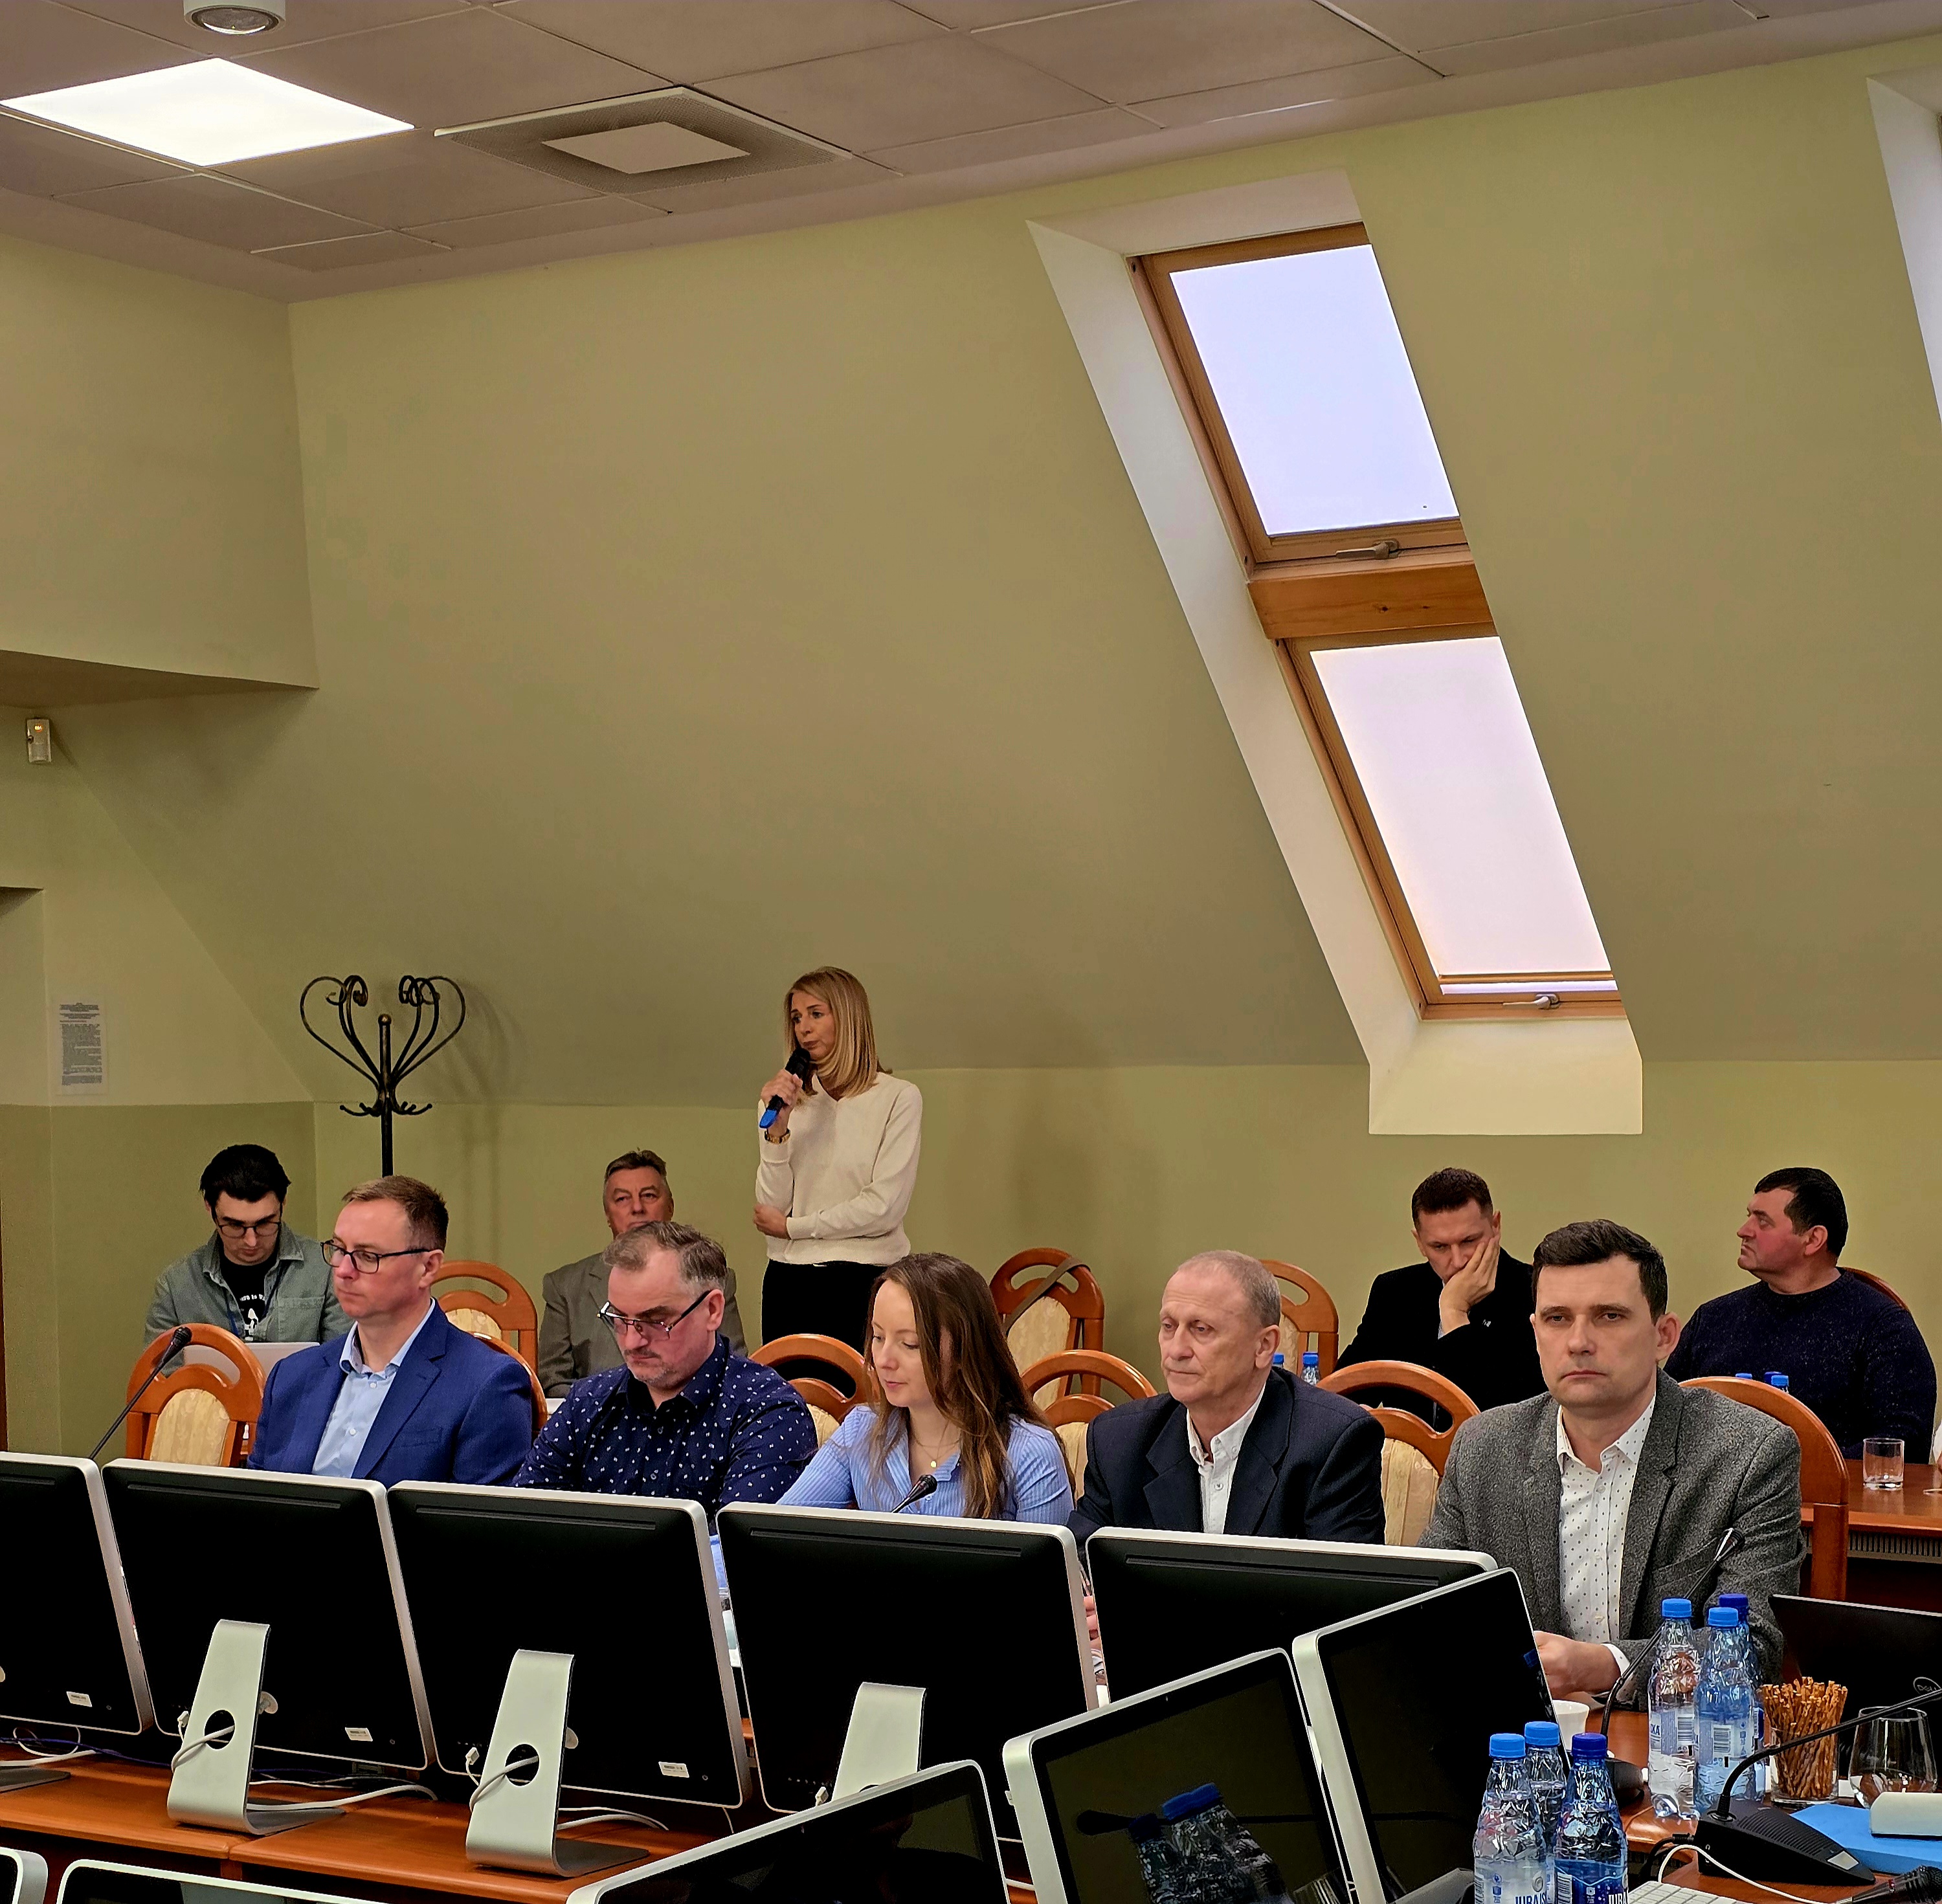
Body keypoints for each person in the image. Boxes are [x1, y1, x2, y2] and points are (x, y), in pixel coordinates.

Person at [1422, 1218, 1804, 1698]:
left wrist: (1604, 1667)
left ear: (1664, 1336)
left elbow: (1752, 1650)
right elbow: (1427, 1613)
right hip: (1524, 1734)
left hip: (1671, 1735)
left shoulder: (1749, 1453)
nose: (1579, 1342)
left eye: (1609, 1316)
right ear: (1535, 1333)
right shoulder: (1483, 1448)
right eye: (1558, 1319)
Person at [1069, 1250, 1385, 1548]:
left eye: (1201, 1329)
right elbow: (1078, 1565)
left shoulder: (1332, 1443)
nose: (1176, 1350)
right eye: (1168, 1327)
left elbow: (1344, 1585)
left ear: (1264, 1346)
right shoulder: (1118, 1442)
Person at [517, 1220, 816, 1514]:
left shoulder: (768, 1412)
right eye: (619, 1318)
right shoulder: (587, 1403)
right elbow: (522, 1520)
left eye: (655, 1321)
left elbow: (737, 1542)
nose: (632, 1342)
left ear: (713, 1310)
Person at [249, 1176, 533, 1485]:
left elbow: (475, 1515)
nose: (343, 1270)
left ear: (428, 1268)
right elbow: (254, 1502)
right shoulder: (290, 1377)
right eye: (339, 1249)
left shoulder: (487, 1384)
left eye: (368, 1256)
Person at [783, 1253, 1073, 1522]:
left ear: (964, 1350)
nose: (883, 1361)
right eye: (878, 1337)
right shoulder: (860, 1431)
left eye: (910, 1344)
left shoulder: (1029, 1453)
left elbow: (1049, 1564)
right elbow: (775, 1535)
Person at [1666, 1168, 1936, 1456]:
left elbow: (1901, 1447)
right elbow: (1662, 1418)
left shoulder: (1883, 1328)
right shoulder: (1713, 1319)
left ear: (1813, 1239)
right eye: (1749, 1216)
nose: (1743, 1231)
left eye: (1763, 1221)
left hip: (1830, 1486)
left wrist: (1791, 1469)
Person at [754, 967, 922, 1356]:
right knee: (792, 1393)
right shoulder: (781, 1102)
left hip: (867, 1280)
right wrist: (777, 1132)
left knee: (867, 1392)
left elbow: (883, 1209)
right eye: (797, 1018)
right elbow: (770, 1209)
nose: (803, 1029)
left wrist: (794, 1228)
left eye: (816, 1014)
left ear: (848, 1018)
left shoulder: (898, 1098)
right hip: (788, 1281)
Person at [1337, 1166, 1545, 1415]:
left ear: (1495, 1226)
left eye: (1469, 1241)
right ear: (1420, 1243)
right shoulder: (1394, 1293)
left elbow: (1501, 1419)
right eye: (1440, 1247)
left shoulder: (1534, 1293)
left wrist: (1454, 1312)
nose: (1458, 1261)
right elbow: (1343, 1392)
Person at [539, 1148, 746, 1396]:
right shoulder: (565, 1287)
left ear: (670, 1207)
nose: (637, 1207)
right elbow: (552, 1382)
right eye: (622, 1199)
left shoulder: (712, 1278)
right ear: (608, 1215)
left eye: (648, 1195)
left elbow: (734, 1366)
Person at [145, 1144, 346, 1345]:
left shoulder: (327, 1268)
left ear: (283, 1202)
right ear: (209, 1207)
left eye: (265, 1223)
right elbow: (160, 1365)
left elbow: (345, 1357)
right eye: (235, 1225)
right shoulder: (176, 1286)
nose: (252, 1241)